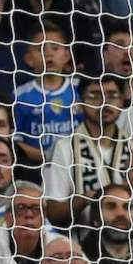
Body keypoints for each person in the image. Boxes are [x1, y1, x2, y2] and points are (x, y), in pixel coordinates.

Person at [43, 74, 133, 228]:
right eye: (95, 96)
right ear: (81, 103)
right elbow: (53, 213)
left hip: (130, 239)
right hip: (83, 242)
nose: (104, 103)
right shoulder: (64, 147)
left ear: (122, 101)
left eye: (112, 96)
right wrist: (86, 199)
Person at [13, 21, 78, 166]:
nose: (49, 53)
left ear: (66, 55)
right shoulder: (20, 96)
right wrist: (50, 157)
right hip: (37, 170)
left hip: (79, 165)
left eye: (55, 48)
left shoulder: (79, 89)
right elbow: (16, 142)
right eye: (41, 49)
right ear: (29, 59)